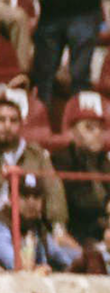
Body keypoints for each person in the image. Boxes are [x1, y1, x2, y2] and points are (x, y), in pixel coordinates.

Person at [51, 92, 110, 243]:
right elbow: (73, 205)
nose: (97, 133)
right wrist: (109, 207)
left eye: (101, 128)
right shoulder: (60, 161)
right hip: (76, 236)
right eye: (89, 128)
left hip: (109, 237)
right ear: (73, 132)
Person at [28, 0, 102, 106]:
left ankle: (81, 120)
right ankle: (40, 120)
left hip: (85, 9)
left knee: (80, 78)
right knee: (43, 78)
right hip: (50, 13)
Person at [0, 97, 68, 233]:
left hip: (31, 228)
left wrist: (58, 229)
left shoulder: (37, 155)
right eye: (1, 120)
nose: (7, 126)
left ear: (21, 124)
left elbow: (53, 191)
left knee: (72, 253)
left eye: (13, 120)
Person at [0, 172, 79, 272]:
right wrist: (38, 269)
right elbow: (13, 263)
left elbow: (61, 255)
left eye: (36, 196)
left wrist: (83, 259)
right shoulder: (2, 224)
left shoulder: (37, 226)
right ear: (11, 198)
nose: (31, 202)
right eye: (25, 196)